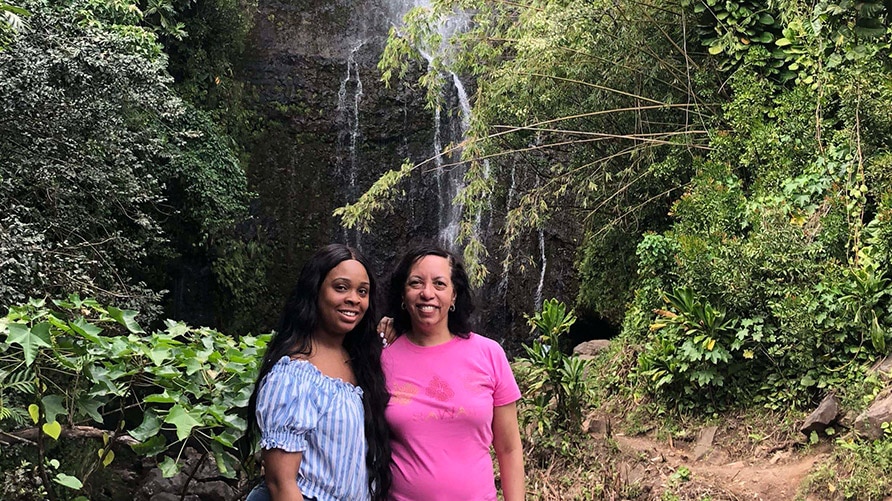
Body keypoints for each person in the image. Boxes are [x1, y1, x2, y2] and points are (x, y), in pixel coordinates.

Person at [245, 244, 391, 501]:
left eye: (363, 291)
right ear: (315, 291)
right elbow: (281, 483)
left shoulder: (360, 361)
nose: (354, 299)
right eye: (341, 287)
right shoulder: (294, 374)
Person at [380, 244, 525, 501]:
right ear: (403, 294)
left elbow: (509, 448)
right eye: (416, 283)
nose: (427, 293)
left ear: (454, 295)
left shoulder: (489, 354)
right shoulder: (382, 357)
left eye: (439, 284)